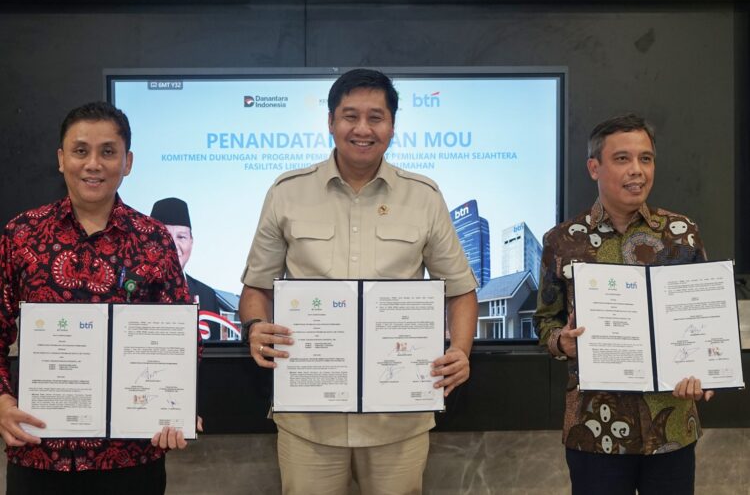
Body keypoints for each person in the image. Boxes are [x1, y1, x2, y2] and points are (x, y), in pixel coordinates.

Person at [239, 68, 478, 494]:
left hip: (398, 419)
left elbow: (460, 290)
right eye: (350, 116)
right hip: (309, 418)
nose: (363, 129)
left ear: (392, 126)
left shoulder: (424, 197)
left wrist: (460, 351)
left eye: (376, 117)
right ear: (331, 122)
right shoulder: (286, 193)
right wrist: (256, 327)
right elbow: (257, 287)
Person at [0, 102, 197, 495]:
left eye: (108, 151)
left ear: (128, 162)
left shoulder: (154, 239)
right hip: (40, 450)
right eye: (80, 151)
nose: (93, 164)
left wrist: (176, 404)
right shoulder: (21, 235)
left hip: (131, 455)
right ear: (61, 159)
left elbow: (181, 335)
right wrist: (2, 400)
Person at [534, 113, 712, 495]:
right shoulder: (562, 241)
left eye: (645, 158)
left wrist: (708, 372)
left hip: (671, 428)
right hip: (593, 432)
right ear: (594, 168)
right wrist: (561, 341)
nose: (637, 170)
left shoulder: (682, 234)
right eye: (622, 159)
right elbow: (545, 321)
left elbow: (703, 318)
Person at [150, 197, 223, 341]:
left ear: (191, 242)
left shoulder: (207, 295)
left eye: (181, 237)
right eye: (164, 236)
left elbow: (214, 350)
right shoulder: (131, 290)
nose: (173, 245)